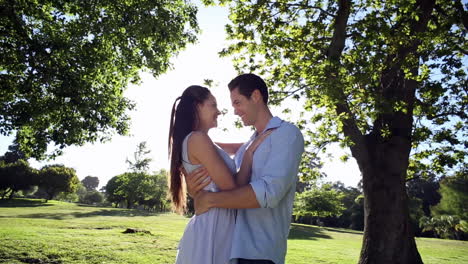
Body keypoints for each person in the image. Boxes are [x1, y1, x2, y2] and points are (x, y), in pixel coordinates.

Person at [186, 74, 305, 264]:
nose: (235, 111)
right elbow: (214, 157)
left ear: (256, 96)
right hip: (230, 248)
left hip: (259, 253)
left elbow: (269, 192)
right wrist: (194, 186)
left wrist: (209, 199)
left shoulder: (286, 133)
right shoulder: (248, 145)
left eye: (238, 103)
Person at [168, 85, 272, 264]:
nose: (219, 111)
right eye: (213, 105)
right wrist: (248, 155)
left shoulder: (202, 141)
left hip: (217, 224)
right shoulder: (197, 140)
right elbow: (232, 188)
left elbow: (237, 147)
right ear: (197, 106)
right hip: (213, 228)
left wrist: (263, 138)